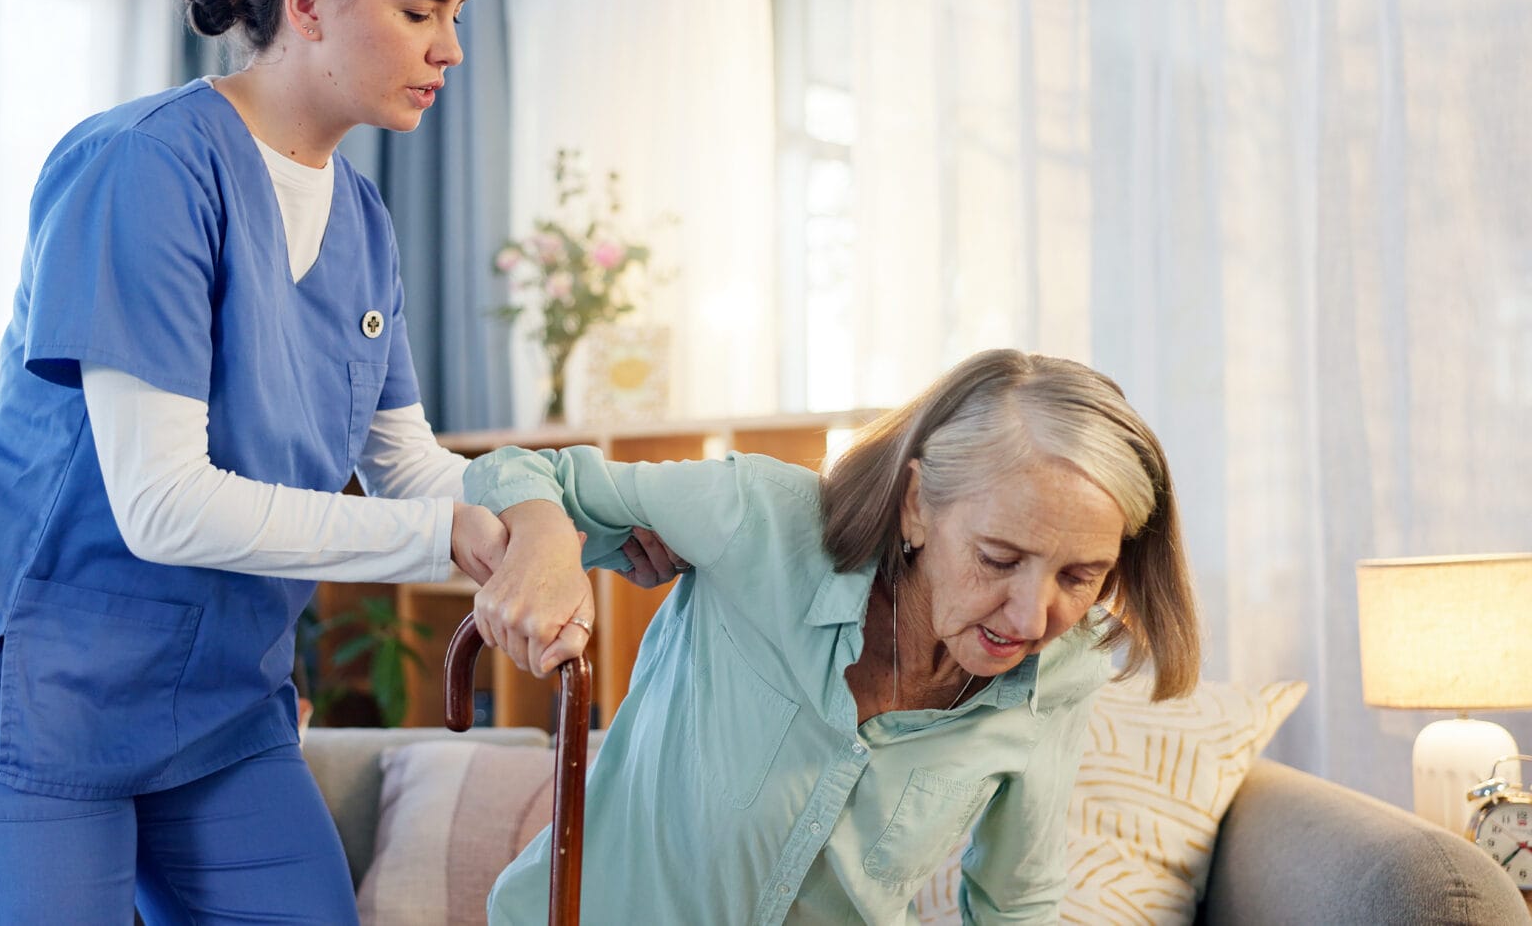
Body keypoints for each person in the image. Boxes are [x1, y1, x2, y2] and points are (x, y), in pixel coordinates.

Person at [0, 0, 682, 922]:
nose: (451, 47)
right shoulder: (143, 170)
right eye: (420, 10)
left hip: (217, 702)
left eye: (455, 14)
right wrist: (456, 536)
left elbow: (408, 466)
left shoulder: (363, 220)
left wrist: (574, 520)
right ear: (307, 7)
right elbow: (163, 505)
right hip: (41, 689)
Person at [467, 349, 1203, 924]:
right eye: (998, 560)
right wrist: (545, 544)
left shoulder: (1062, 673)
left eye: (1079, 577)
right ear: (916, 505)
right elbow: (516, 472)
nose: (1029, 619)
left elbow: (1016, 902)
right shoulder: (759, 520)